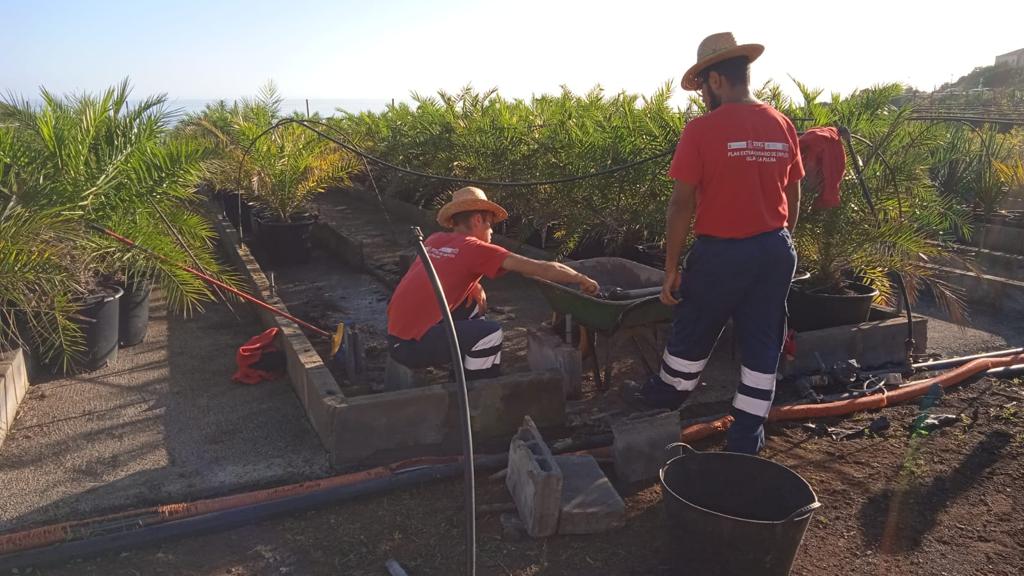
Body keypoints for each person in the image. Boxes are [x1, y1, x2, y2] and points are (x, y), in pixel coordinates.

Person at [636, 32, 803, 455]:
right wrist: (780, 239)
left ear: (715, 81)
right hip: (774, 249)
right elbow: (794, 193)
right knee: (764, 341)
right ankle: (746, 440)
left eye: (703, 88)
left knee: (694, 327)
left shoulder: (702, 130)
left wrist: (672, 269)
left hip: (722, 252)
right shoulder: (781, 123)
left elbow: (680, 204)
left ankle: (668, 395)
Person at [387, 186, 600, 380]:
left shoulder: (435, 240)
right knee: (491, 332)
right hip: (412, 347)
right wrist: (582, 279)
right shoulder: (476, 249)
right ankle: (478, 388)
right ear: (478, 220)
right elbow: (539, 267)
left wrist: (475, 288)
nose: (492, 231)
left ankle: (466, 365)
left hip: (395, 337)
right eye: (490, 224)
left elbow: (442, 274)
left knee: (473, 304)